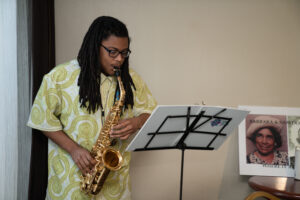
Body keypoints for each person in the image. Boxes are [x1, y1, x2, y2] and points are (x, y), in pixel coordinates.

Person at [27, 16, 157, 200]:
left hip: (115, 183)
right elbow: (41, 120)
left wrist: (137, 122)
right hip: (70, 180)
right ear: (95, 46)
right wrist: (73, 149)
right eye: (112, 52)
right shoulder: (59, 76)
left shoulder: (131, 79)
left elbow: (151, 113)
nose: (119, 59)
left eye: (124, 52)